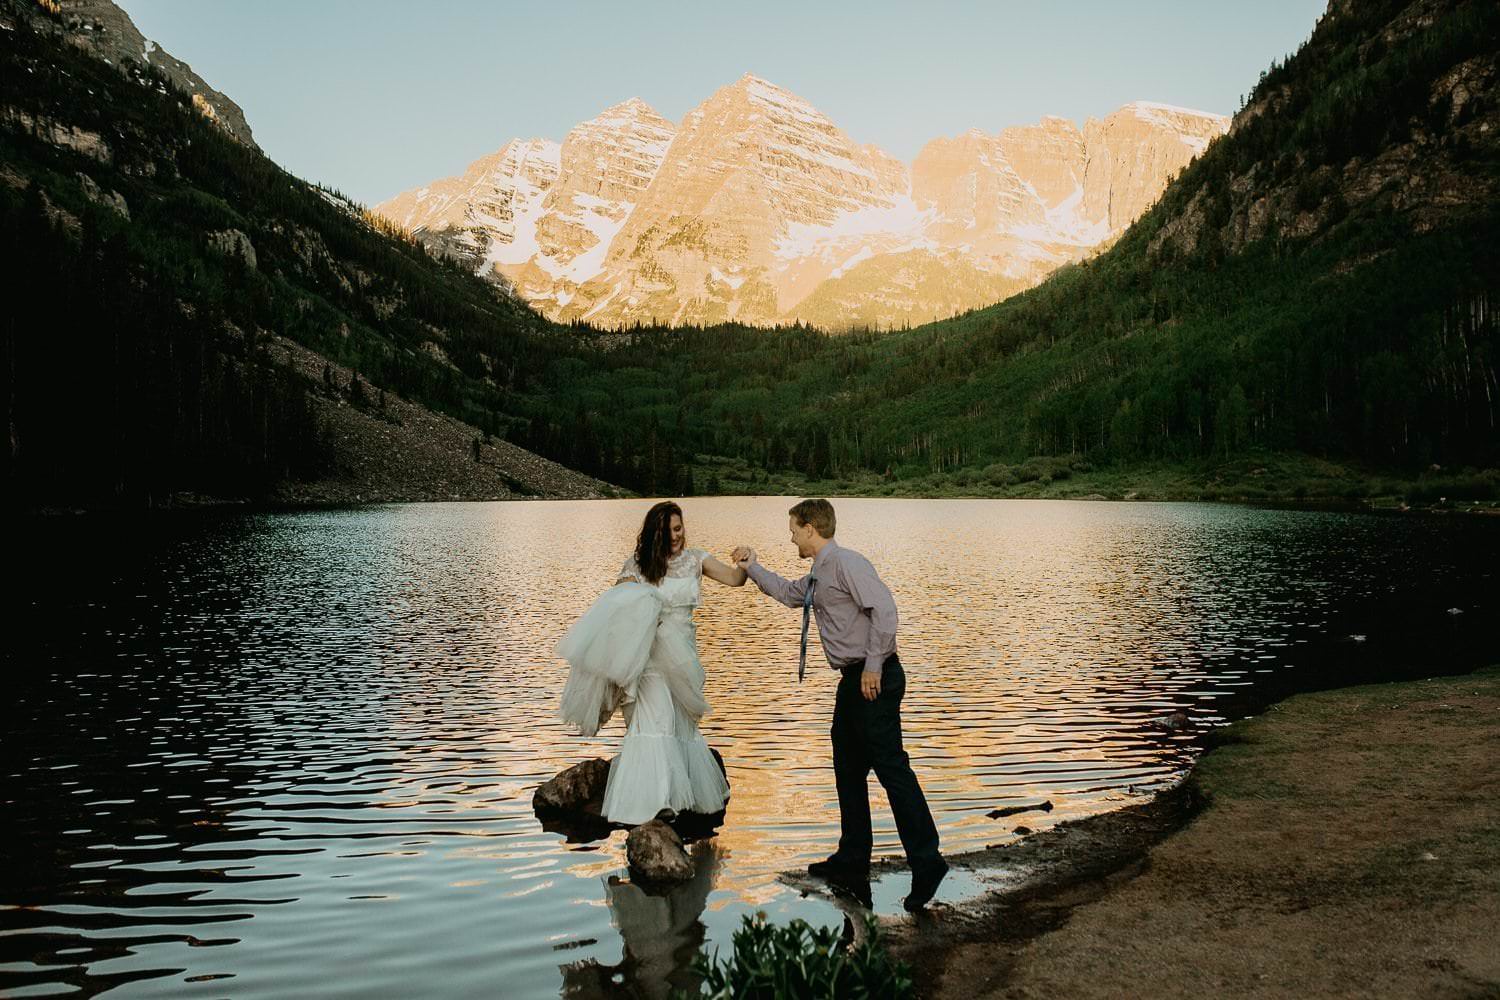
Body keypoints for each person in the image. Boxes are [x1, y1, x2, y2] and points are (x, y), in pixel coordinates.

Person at [733, 499, 948, 911]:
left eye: (794, 529)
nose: (791, 535)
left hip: (874, 679)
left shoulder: (848, 563)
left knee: (891, 769)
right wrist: (751, 565)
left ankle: (928, 862)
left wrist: (872, 667)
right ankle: (852, 858)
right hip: (852, 684)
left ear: (811, 527)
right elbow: (789, 594)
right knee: (848, 771)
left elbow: (884, 609)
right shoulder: (818, 572)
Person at [556, 501, 744, 825]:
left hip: (684, 658)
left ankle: (682, 798)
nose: (674, 536)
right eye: (667, 531)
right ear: (653, 534)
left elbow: (735, 579)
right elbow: (615, 612)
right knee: (655, 723)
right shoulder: (637, 567)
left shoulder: (696, 560)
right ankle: (653, 804)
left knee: (681, 726)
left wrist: (745, 561)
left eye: (678, 528)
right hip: (651, 661)